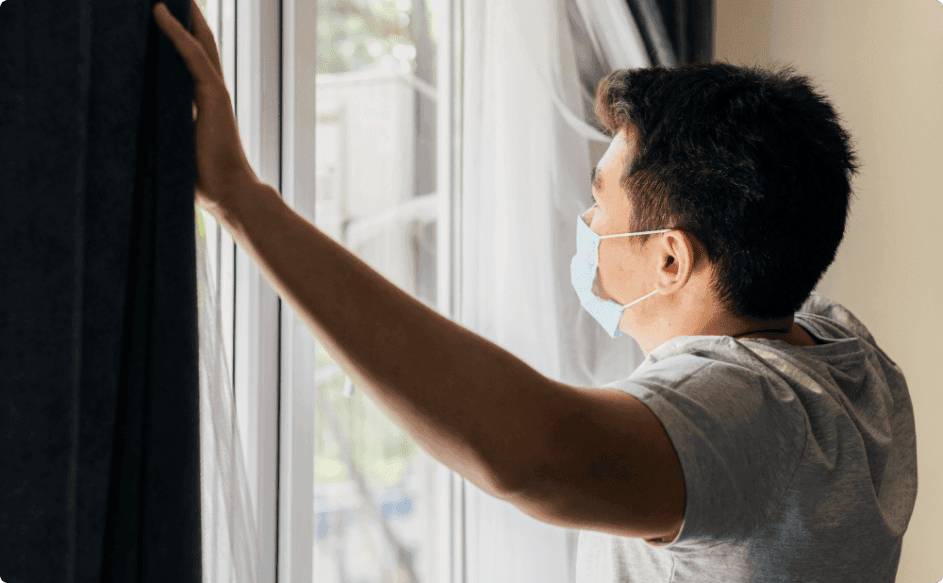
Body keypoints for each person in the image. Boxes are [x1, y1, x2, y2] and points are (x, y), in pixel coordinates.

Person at [153, 2, 917, 581]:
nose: (584, 219)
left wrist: (242, 201)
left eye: (600, 199)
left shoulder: (747, 415)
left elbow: (530, 454)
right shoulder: (849, 357)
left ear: (670, 260)